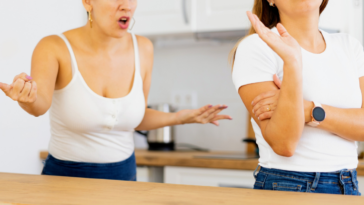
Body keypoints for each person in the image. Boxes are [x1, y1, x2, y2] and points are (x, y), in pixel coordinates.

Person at [0, 0, 232, 181]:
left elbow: (135, 118)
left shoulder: (143, 48)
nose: (127, 5)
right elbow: (39, 105)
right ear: (88, 1)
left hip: (124, 177)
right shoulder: (54, 47)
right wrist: (26, 97)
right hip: (65, 178)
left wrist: (182, 117)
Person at [231, 0, 363, 195]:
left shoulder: (349, 46)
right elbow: (284, 144)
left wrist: (309, 110)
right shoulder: (256, 47)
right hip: (287, 184)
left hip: (348, 184)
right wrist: (292, 62)